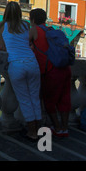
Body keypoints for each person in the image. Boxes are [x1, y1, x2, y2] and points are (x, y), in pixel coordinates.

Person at [0, 2, 41, 141]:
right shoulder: (26, 25)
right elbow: (28, 43)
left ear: (6, 12)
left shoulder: (3, 26)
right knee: (35, 98)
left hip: (16, 65)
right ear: (20, 12)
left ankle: (32, 132)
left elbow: (1, 47)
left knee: (25, 100)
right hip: (32, 63)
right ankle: (39, 131)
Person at [29, 8, 72, 137]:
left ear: (33, 20)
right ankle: (65, 128)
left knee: (49, 101)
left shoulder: (34, 30)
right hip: (65, 68)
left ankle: (57, 128)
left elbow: (23, 44)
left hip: (51, 71)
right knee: (64, 99)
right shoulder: (51, 30)